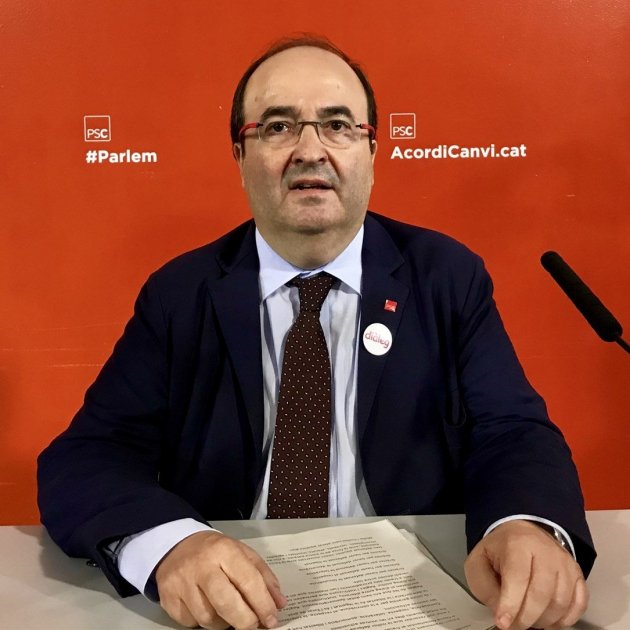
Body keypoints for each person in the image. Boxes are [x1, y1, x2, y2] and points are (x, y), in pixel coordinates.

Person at [38, 35, 595, 630]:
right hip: (234, 602)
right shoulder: (182, 293)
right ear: (240, 154)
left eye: (337, 126)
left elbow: (512, 432)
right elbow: (88, 456)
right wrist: (172, 546)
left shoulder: (445, 276)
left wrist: (523, 524)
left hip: (414, 595)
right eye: (278, 127)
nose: (310, 151)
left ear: (372, 151)